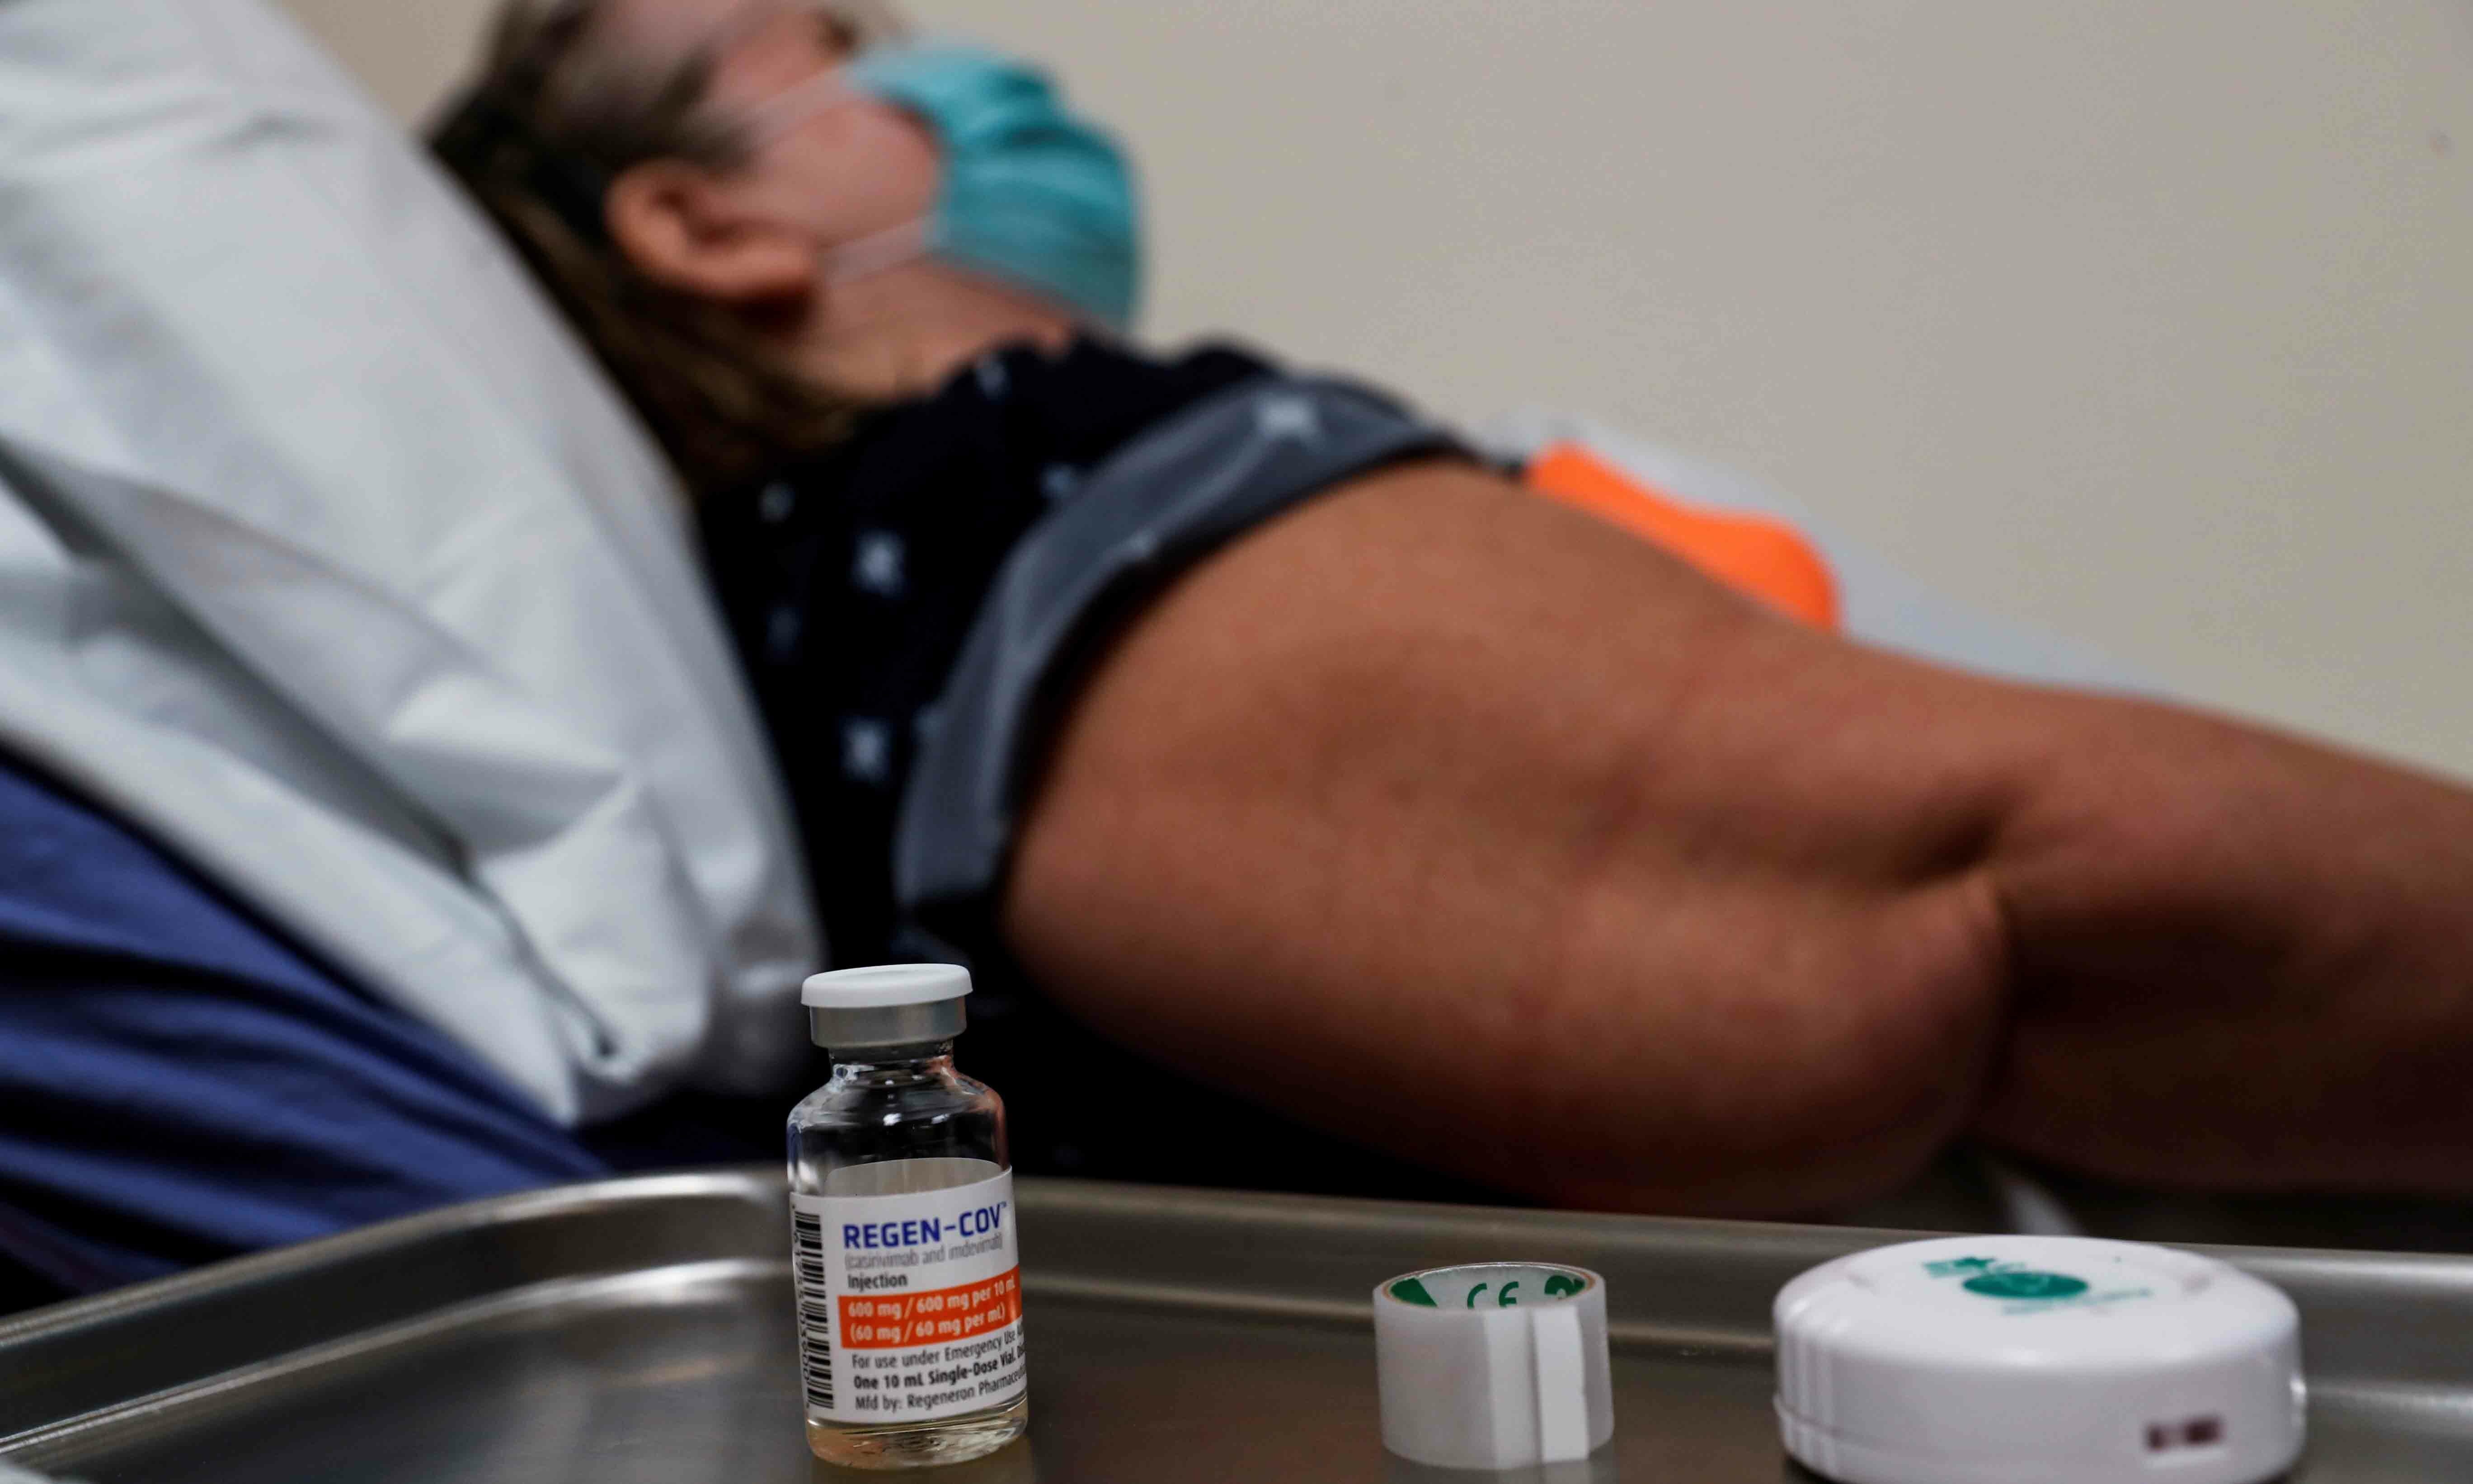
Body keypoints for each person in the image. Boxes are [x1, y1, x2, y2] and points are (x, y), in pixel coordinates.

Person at [430, 0, 2473, 1221]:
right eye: (838, 43)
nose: (962, 80)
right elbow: (2007, 900)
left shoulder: (986, 544)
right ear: (701, 222)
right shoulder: (1003, 506)